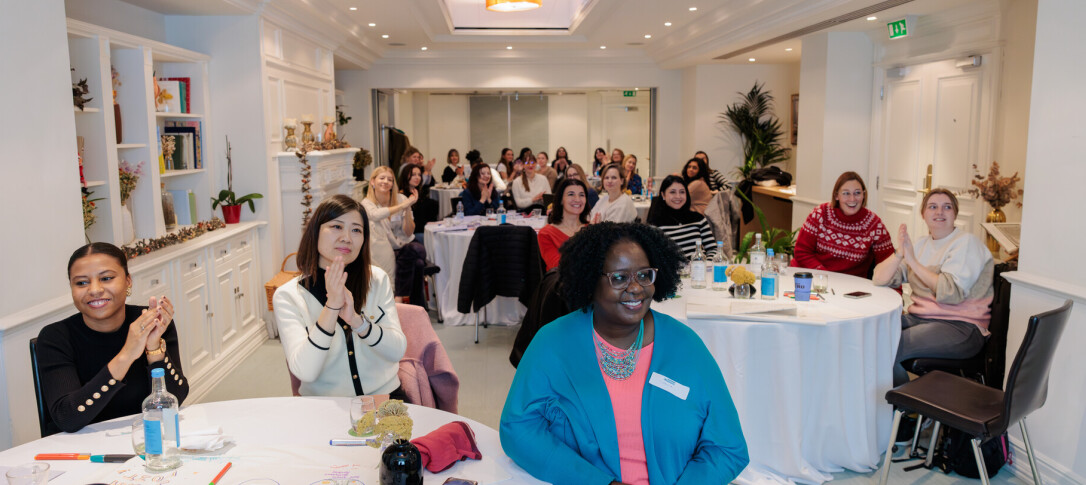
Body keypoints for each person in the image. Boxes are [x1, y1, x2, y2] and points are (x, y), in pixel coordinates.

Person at [501, 222, 749, 485]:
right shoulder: (553, 343)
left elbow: (728, 448)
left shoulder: (686, 345)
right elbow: (518, 428)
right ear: (588, 280)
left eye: (644, 275)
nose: (636, 288)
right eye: (619, 278)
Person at [36, 243, 188, 434]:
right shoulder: (55, 337)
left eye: (106, 278)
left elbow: (176, 398)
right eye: (81, 283)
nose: (94, 290)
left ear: (128, 280)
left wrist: (153, 348)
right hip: (82, 450)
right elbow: (67, 418)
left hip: (144, 438)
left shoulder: (150, 322)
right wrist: (126, 354)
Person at [274, 195, 408, 398]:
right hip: (325, 407)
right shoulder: (289, 296)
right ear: (315, 231)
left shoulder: (377, 280)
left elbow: (397, 350)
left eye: (356, 230)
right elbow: (305, 372)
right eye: (336, 226)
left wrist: (358, 322)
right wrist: (331, 307)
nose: (346, 237)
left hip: (384, 398)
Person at [873, 188, 994, 386]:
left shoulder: (966, 244)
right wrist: (899, 253)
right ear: (923, 214)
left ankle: (902, 407)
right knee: (870, 334)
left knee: (890, 345)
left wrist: (913, 262)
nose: (939, 212)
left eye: (947, 207)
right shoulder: (920, 245)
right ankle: (892, 401)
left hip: (961, 327)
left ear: (955, 213)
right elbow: (880, 278)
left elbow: (950, 293)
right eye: (933, 207)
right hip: (919, 319)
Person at [792, 172, 895, 277]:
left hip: (849, 285)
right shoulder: (820, 214)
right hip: (811, 277)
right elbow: (802, 252)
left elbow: (889, 263)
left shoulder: (874, 225)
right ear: (836, 195)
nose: (852, 199)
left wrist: (896, 291)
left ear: (864, 195)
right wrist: (824, 275)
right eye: (846, 193)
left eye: (857, 193)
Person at [362, 166, 423, 304]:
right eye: (381, 178)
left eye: (390, 179)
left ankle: (399, 298)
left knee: (416, 250)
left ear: (393, 184)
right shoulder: (367, 204)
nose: (385, 182)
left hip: (404, 247)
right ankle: (414, 306)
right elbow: (375, 215)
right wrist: (403, 206)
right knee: (418, 263)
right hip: (382, 250)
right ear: (372, 181)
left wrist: (407, 209)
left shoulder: (401, 198)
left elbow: (409, 232)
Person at [645, 175, 717, 261]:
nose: (678, 196)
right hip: (671, 273)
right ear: (663, 195)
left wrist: (704, 265)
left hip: (698, 271)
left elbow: (712, 249)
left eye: (682, 192)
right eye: (672, 192)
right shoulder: (655, 224)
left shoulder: (698, 219)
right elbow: (652, 257)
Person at [537, 178, 589, 271]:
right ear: (561, 200)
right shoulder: (546, 234)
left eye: (581, 195)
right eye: (571, 194)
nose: (577, 199)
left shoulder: (591, 229)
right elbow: (559, 266)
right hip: (562, 283)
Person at [400, 164, 438, 241]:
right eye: (413, 175)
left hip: (424, 229)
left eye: (419, 175)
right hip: (410, 233)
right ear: (405, 176)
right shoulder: (401, 195)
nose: (417, 177)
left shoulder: (419, 193)